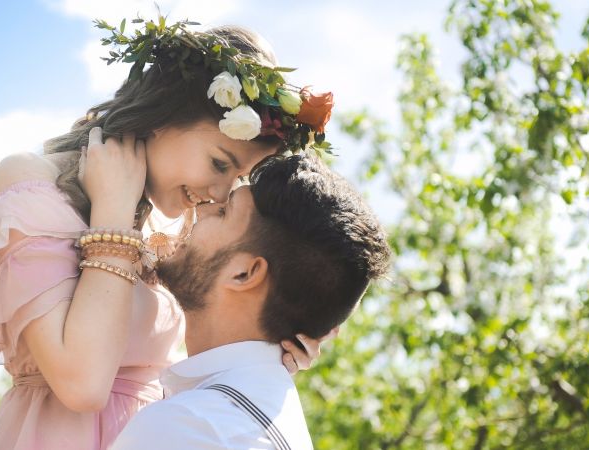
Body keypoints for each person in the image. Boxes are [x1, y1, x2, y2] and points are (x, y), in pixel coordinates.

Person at [0, 17, 335, 449]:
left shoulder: (176, 227)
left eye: (238, 177)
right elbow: (82, 384)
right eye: (220, 163)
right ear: (165, 116)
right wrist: (112, 212)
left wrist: (270, 349)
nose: (220, 192)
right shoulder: (32, 182)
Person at [111, 153, 391, 449]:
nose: (200, 210)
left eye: (223, 213)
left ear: (244, 274)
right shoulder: (252, 417)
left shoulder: (185, 429)